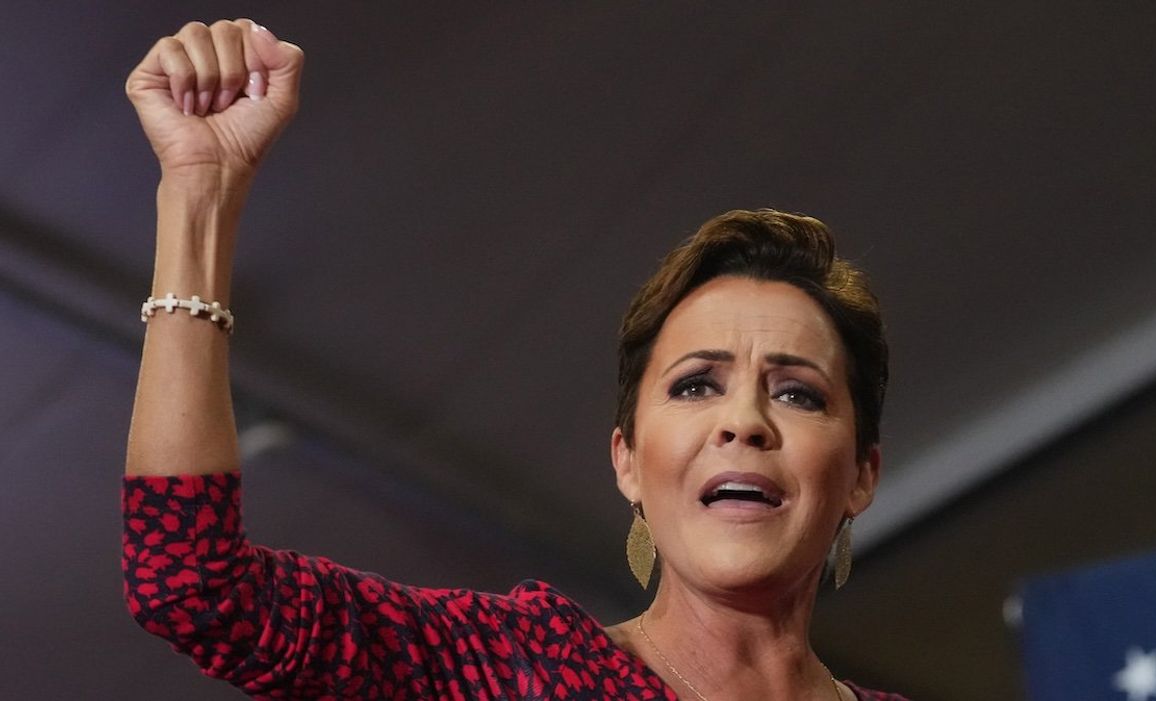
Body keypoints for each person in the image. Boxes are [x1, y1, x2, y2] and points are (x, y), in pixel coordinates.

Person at [122, 19, 912, 701]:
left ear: (862, 473)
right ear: (628, 460)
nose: (742, 422)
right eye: (696, 383)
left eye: (797, 394)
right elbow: (194, 586)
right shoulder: (512, 671)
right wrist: (200, 191)